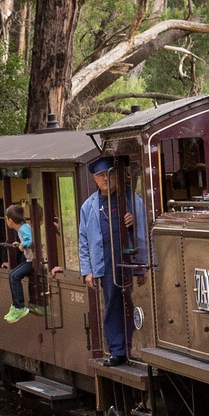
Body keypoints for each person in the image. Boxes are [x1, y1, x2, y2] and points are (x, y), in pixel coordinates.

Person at [64, 157, 150, 366]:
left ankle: (139, 347)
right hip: (105, 261)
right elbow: (84, 240)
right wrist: (88, 270)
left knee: (134, 302)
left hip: (128, 258)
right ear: (94, 178)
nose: (106, 179)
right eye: (101, 176)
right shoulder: (89, 206)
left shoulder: (132, 199)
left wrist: (143, 262)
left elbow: (145, 230)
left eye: (109, 175)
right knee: (112, 303)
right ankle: (117, 350)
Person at [4, 204, 38, 322]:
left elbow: (31, 239)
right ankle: (15, 305)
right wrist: (18, 244)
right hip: (30, 259)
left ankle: (19, 307)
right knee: (12, 274)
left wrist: (22, 245)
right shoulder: (22, 228)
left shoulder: (23, 229)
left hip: (34, 261)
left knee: (14, 276)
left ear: (10, 220)